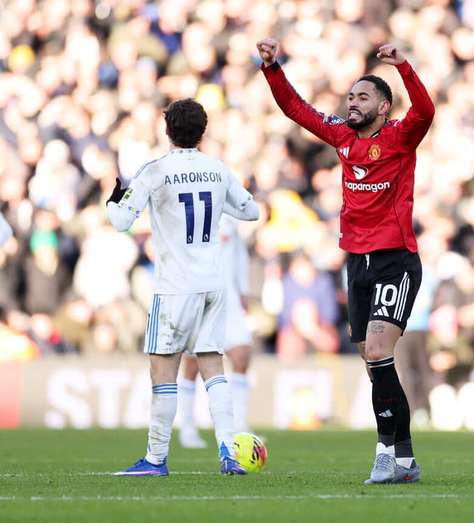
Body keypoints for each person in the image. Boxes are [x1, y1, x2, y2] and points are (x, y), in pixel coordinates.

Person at [257, 37, 434, 484]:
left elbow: (425, 112)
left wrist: (404, 67)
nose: (352, 103)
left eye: (362, 97)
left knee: (378, 350)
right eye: (350, 96)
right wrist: (273, 67)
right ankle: (407, 458)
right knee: (377, 364)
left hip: (395, 259)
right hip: (356, 262)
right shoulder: (340, 135)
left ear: (383, 107)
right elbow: (296, 108)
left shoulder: (400, 136)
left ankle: (384, 452)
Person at [108, 98, 260, 476]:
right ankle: (229, 449)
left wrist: (114, 199)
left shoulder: (156, 170)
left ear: (167, 129)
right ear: (203, 131)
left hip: (175, 285)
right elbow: (251, 210)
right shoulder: (217, 169)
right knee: (213, 365)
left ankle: (156, 458)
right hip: (213, 283)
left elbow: (121, 221)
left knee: (163, 371)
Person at [178, 213, 255, 448]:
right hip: (199, 295)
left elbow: (238, 253)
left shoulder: (229, 214)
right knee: (192, 364)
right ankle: (187, 428)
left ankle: (240, 426)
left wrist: (243, 290)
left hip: (229, 297)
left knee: (241, 355)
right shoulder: (190, 212)